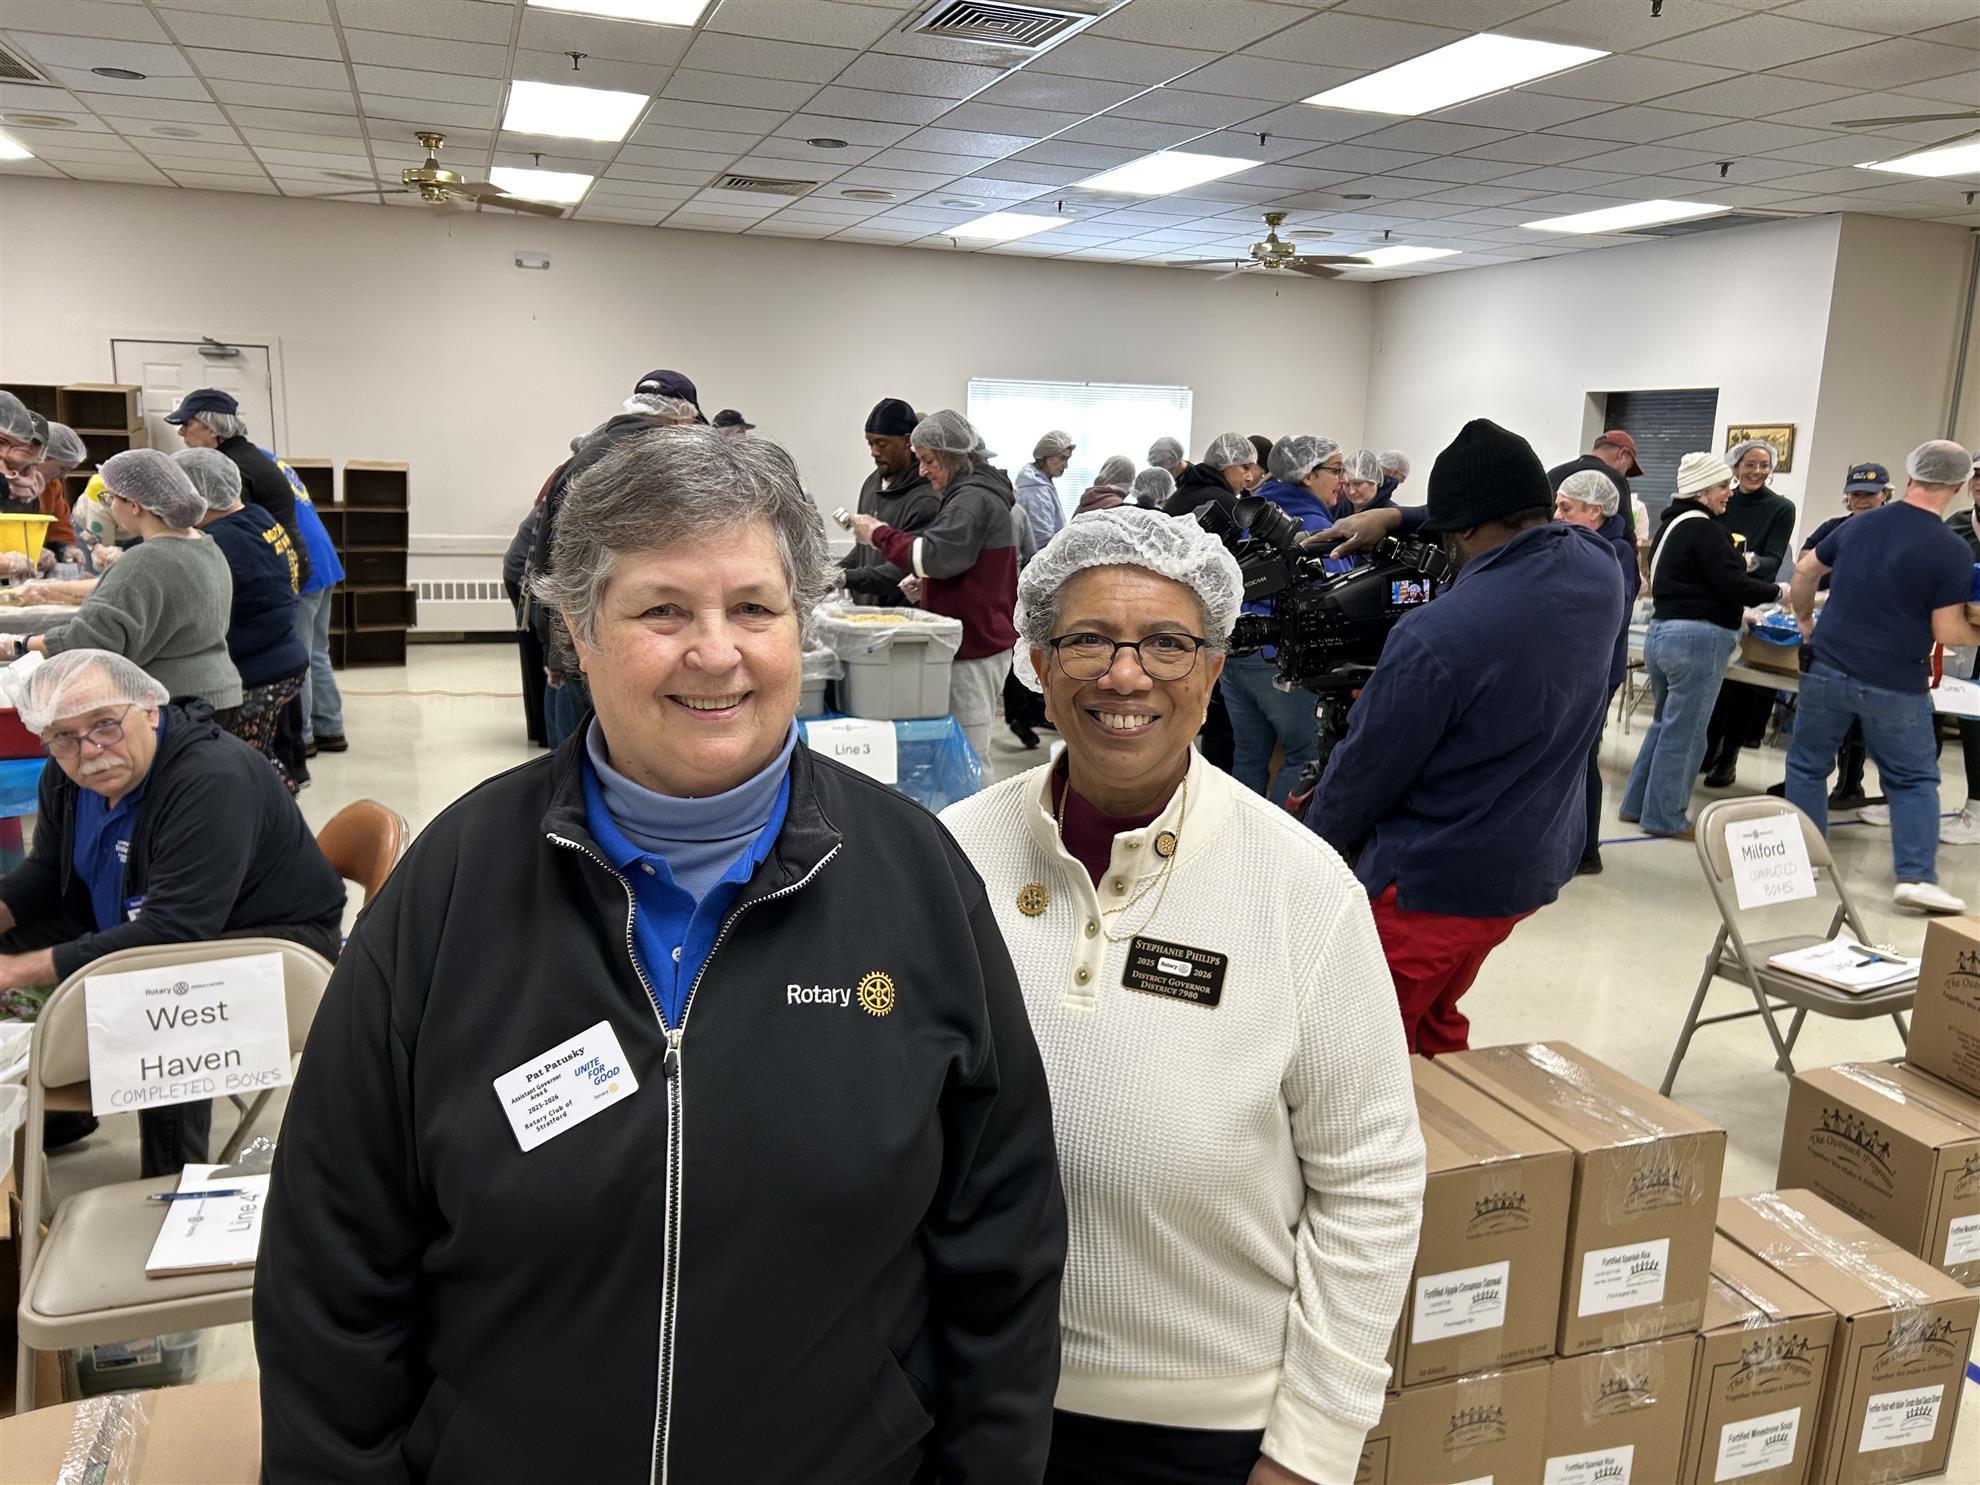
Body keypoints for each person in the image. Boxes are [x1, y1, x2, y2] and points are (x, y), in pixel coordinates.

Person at [256, 424, 1065, 1482]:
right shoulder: (454, 885)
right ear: (578, 636)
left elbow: (1000, 1241)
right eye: (662, 611)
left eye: (754, 610)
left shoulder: (916, 878)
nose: (716, 651)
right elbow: (333, 1260)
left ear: (800, 627)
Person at [940, 506, 1423, 1485]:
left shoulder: (1298, 886)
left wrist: (1313, 1446)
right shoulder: (952, 856)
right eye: (1088, 640)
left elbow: (1370, 1177)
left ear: (1212, 668)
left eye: (1167, 643)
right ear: (1036, 657)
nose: (1126, 676)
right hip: (971, 1390)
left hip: (1202, 1420)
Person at [1309, 419, 1624, 1054]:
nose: (1446, 544)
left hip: (1433, 886)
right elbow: (1503, 512)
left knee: (1352, 1051)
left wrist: (1309, 851)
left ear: (1470, 528)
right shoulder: (1600, 568)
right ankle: (1459, 1130)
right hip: (1525, 869)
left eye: (1450, 533)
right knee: (1433, 1017)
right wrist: (1398, 516)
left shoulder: (1438, 634)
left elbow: (1365, 773)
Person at [0, 650, 344, 1174]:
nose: (89, 750)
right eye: (63, 736)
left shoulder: (210, 781)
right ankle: (55, 1115)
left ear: (149, 708)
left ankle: (171, 1183)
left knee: (163, 997)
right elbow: (48, 871)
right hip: (141, 917)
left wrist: (16, 971)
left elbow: (175, 933)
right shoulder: (67, 778)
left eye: (105, 725)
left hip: (272, 948)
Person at [1785, 441, 1980, 915]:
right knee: (1912, 780)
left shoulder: (1857, 525)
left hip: (1828, 666)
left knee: (1808, 764)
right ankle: (1915, 877)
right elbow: (1946, 629)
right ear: (1957, 487)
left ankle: (1806, 860)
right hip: (1895, 681)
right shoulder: (1950, 549)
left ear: (1909, 477)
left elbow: (1807, 570)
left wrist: (1806, 621)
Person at [531, 370, 705, 749]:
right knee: (596, 740)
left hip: (575, 616)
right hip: (590, 619)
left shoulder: (598, 445)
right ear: (680, 415)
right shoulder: (639, 459)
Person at [0, 451, 242, 718]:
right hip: (221, 695)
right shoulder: (206, 545)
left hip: (173, 705)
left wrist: (19, 644)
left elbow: (88, 640)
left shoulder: (144, 561)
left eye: (111, 498)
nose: (110, 507)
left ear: (135, 505)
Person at [1619, 454, 1784, 841]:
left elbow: (1692, 580)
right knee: (1688, 734)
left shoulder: (1672, 525)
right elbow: (1732, 583)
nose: (1729, 494)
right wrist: (1778, 591)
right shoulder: (1706, 529)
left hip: (1664, 634)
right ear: (1703, 491)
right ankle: (1666, 817)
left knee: (1664, 726)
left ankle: (1636, 805)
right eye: (1723, 487)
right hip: (1696, 640)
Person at [852, 410, 1020, 763]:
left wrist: (877, 533)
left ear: (953, 457)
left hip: (975, 646)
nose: (923, 471)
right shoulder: (969, 494)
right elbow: (960, 561)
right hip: (971, 640)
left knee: (968, 754)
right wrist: (929, 584)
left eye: (928, 460)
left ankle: (973, 819)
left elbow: (934, 555)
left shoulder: (972, 499)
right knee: (952, 749)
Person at [1224, 435, 1348, 805]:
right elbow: (1339, 596)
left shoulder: (1257, 513)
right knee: (1303, 757)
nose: (1343, 480)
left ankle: (1234, 846)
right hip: (1277, 659)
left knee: (1248, 758)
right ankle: (1273, 852)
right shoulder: (1313, 526)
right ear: (1308, 476)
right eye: (1337, 470)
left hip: (1236, 655)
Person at [176, 448, 308, 790]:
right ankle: (277, 804)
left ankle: (268, 819)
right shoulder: (258, 517)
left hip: (258, 671)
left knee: (239, 771)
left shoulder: (220, 540)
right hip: (283, 658)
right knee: (256, 757)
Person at [1554, 468, 1641, 874]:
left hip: (1596, 672)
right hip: (1576, 667)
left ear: (1594, 510)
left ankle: (1587, 851)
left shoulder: (1616, 552)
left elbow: (1606, 613)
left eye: (1565, 507)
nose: (1556, 514)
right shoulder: (1579, 542)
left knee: (1583, 759)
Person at [1700, 438, 1797, 787]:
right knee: (1716, 677)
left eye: (1763, 465)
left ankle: (1729, 757)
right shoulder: (1722, 499)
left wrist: (1750, 561)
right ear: (1735, 467)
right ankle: (1707, 749)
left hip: (1753, 599)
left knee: (1743, 684)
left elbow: (1774, 559)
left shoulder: (1781, 508)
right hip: (1717, 595)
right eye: (1749, 464)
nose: (1756, 471)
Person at [1800, 463, 1892, 810]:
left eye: (1870, 494)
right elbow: (1806, 568)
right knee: (1824, 711)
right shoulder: (1832, 529)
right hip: (1832, 633)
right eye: (1856, 494)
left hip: (1877, 639)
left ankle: (1850, 782)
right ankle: (1812, 781)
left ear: (1885, 494)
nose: (1862, 501)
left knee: (1862, 714)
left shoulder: (1894, 532)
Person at [164, 390, 311, 587]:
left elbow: (225, 524)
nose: (181, 432)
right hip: (288, 561)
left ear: (212, 429)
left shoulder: (233, 468)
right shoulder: (245, 453)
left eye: (187, 424)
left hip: (281, 573)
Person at [841, 396, 939, 608]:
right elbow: (863, 551)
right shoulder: (871, 484)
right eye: (871, 443)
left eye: (882, 444)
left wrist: (846, 578)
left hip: (901, 622)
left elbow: (903, 568)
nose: (874, 452)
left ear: (907, 441)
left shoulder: (926, 499)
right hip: (865, 616)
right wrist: (836, 572)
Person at [1547, 429, 1641, 550]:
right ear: (1622, 454)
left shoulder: (1553, 473)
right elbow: (1627, 534)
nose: (1557, 516)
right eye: (1628, 468)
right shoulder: (1616, 479)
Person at [1163, 431, 1261, 523]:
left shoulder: (1184, 491)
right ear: (1225, 461)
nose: (1250, 478)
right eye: (1246, 467)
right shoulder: (1226, 503)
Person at [1016, 430, 1075, 562]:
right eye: (1062, 458)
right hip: (1040, 563)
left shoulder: (1040, 483)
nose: (1065, 465)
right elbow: (1041, 540)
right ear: (1045, 457)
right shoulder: (1036, 490)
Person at [1330, 447, 1389, 520]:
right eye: (1346, 484)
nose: (1351, 492)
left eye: (1358, 483)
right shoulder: (1336, 511)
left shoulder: (1390, 516)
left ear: (1374, 481)